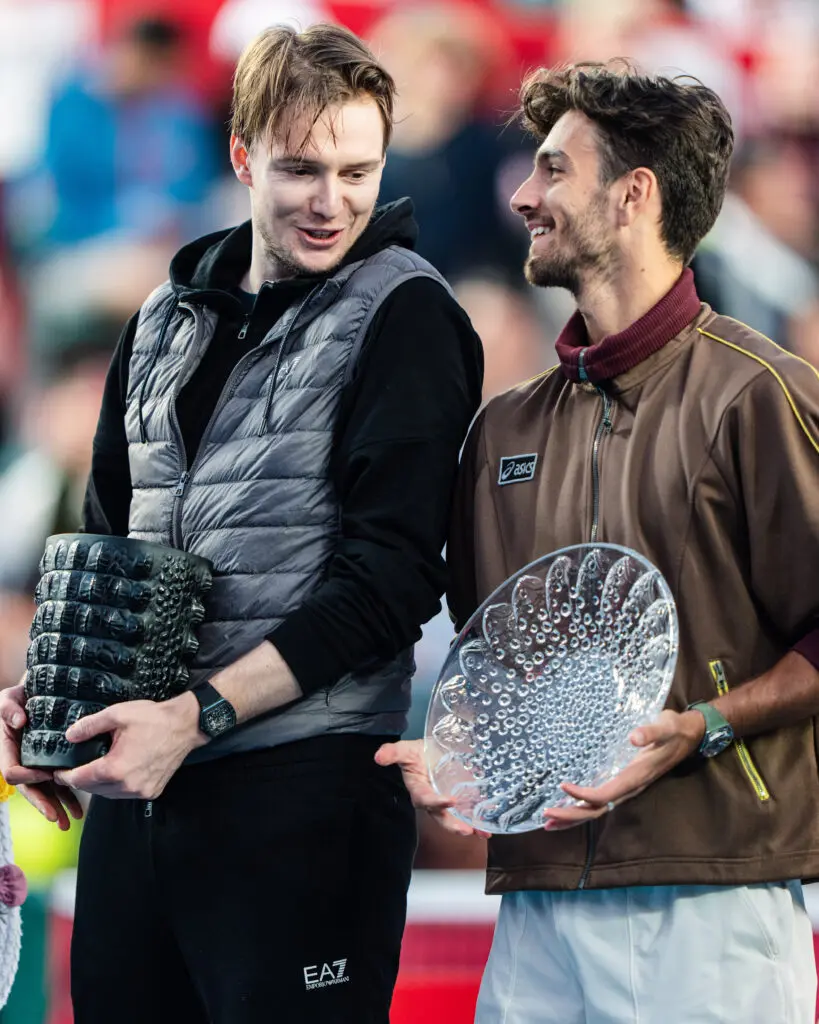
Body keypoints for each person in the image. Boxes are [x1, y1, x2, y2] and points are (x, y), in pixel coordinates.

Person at [0, 23, 483, 1024]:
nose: (331, 200)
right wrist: (51, 707)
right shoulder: (163, 314)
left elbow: (391, 582)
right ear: (241, 155)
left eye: (358, 172)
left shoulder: (408, 313)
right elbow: (105, 547)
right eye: (302, 168)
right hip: (142, 800)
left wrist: (194, 717)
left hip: (305, 793)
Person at [377, 61, 819, 1023]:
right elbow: (494, 658)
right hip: (536, 900)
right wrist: (455, 750)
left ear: (633, 196)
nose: (522, 195)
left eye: (553, 170)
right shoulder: (502, 428)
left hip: (710, 900)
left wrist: (706, 725)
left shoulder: (757, 393)